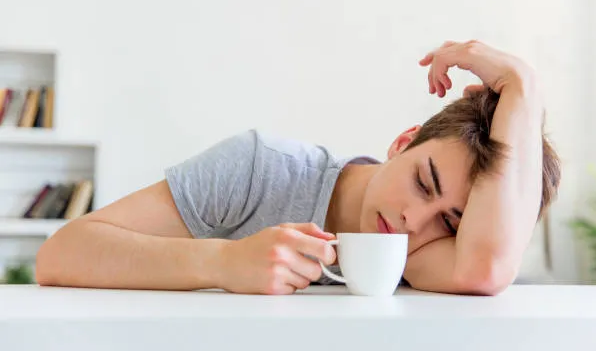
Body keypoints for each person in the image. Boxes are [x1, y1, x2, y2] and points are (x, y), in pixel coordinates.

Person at [35, 40, 561, 296]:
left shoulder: (424, 254)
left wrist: (523, 88)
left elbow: (485, 267)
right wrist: (222, 263)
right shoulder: (263, 168)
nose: (413, 223)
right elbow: (62, 254)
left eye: (452, 222)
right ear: (403, 143)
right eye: (424, 183)